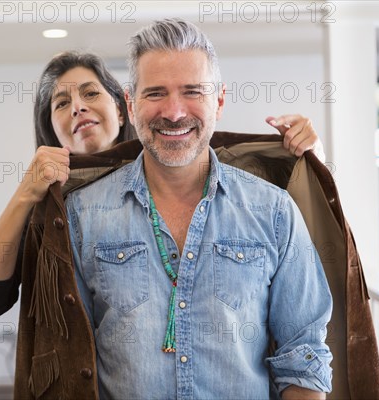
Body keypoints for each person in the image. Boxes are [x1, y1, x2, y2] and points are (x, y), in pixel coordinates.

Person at [0, 50, 327, 398]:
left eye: (91, 92)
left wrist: (310, 159)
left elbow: (260, 187)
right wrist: (26, 194)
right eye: (60, 103)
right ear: (51, 128)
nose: (78, 106)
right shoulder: (61, 211)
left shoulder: (182, 156)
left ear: (124, 111)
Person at [65, 19, 332, 400]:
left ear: (219, 101)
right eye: (155, 93)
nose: (174, 112)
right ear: (130, 103)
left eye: (192, 91)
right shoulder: (82, 216)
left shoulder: (273, 212)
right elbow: (71, 360)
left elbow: (302, 356)